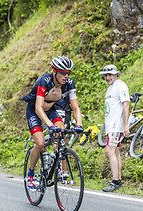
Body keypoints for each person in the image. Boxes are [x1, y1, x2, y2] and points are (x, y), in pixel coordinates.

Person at [21, 56, 84, 190]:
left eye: (68, 73)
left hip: (51, 110)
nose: (66, 76)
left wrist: (79, 124)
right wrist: (49, 124)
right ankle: (30, 175)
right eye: (63, 73)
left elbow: (75, 107)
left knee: (61, 133)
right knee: (40, 143)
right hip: (35, 111)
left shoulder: (69, 83)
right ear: (55, 71)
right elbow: (38, 107)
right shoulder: (44, 81)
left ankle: (61, 170)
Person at [99, 64, 130, 192]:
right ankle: (119, 180)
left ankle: (115, 181)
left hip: (116, 125)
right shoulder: (111, 88)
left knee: (110, 151)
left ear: (116, 74)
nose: (107, 77)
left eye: (110, 75)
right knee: (115, 151)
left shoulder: (120, 85)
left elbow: (126, 104)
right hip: (111, 126)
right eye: (106, 75)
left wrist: (125, 125)